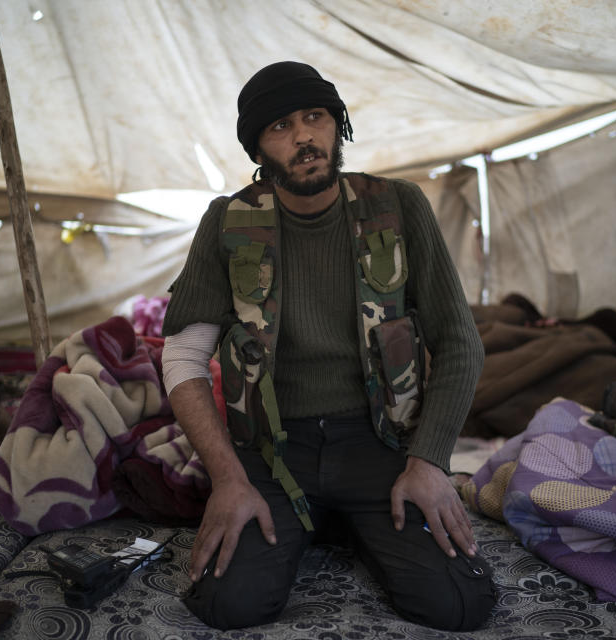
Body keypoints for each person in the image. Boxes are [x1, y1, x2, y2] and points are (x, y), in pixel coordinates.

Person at [160, 61, 492, 631]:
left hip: (379, 444)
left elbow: (460, 341)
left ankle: (347, 520)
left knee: (459, 605)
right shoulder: (228, 223)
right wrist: (229, 480)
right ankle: (325, 519)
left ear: (337, 126)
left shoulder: (397, 206)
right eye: (280, 127)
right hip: (271, 453)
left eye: (315, 118)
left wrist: (430, 461)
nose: (303, 137)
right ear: (259, 150)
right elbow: (183, 358)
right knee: (226, 605)